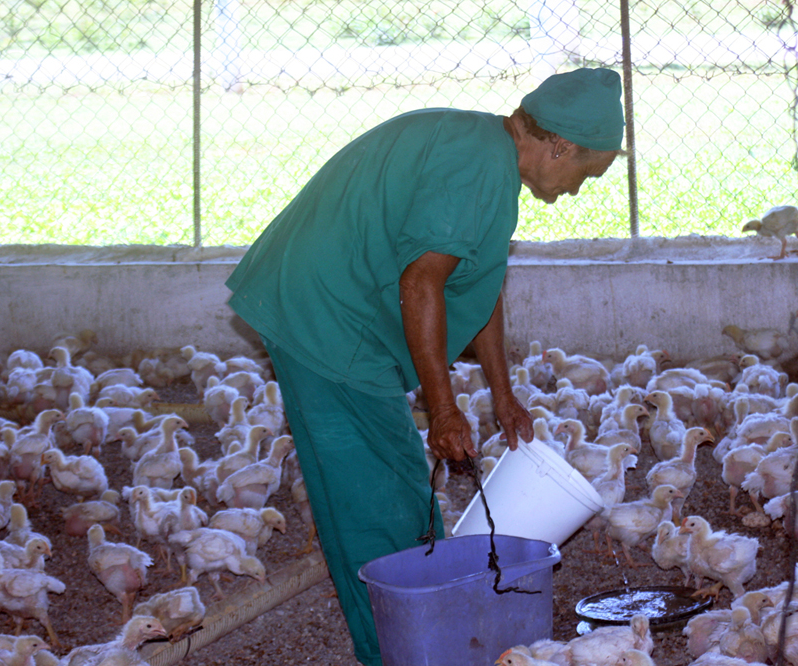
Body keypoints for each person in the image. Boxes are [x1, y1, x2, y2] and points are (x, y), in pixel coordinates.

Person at [225, 67, 625, 665]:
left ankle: (421, 632)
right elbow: (422, 281)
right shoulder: (477, 169)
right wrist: (442, 407)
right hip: (326, 315)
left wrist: (502, 392)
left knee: (383, 483)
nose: (574, 190)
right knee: (380, 496)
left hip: (329, 302)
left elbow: (478, 287)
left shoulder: (489, 158)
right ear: (558, 145)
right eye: (583, 174)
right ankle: (402, 648)